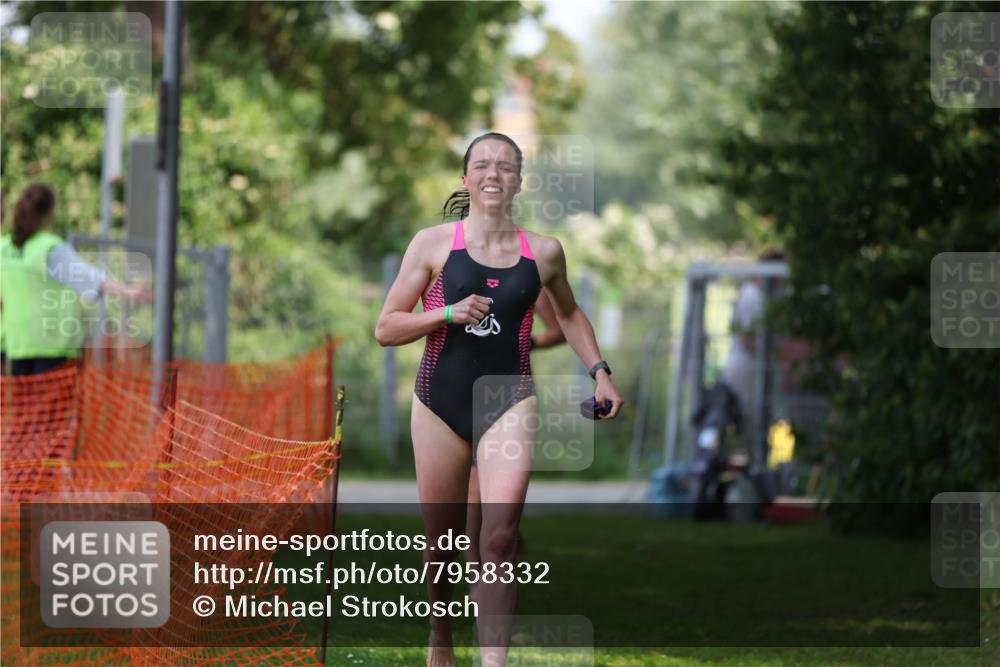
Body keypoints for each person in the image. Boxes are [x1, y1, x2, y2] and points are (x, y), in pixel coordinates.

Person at [375, 132, 623, 667]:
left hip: (509, 399)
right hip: (438, 401)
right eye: (482, 165)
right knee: (441, 547)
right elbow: (386, 328)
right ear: (465, 179)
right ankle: (441, 637)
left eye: (505, 167)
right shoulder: (433, 243)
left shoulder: (546, 252)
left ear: (518, 181)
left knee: (500, 539)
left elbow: (571, 315)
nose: (493, 174)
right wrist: (445, 313)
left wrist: (600, 372)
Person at [0, 183, 147, 376]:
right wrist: (129, 291)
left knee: (25, 406)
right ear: (51, 213)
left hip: (18, 344)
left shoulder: (5, 248)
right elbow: (90, 277)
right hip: (53, 347)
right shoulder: (49, 248)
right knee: (52, 407)